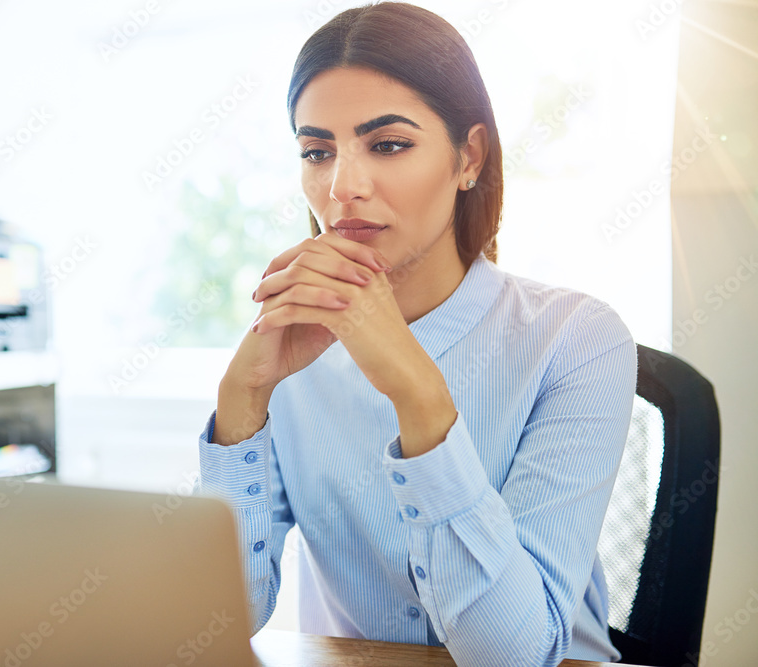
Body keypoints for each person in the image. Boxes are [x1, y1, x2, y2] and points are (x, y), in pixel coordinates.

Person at [196, 3, 637, 665]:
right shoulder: (288, 349)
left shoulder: (578, 339)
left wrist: (417, 393)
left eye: (388, 144)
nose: (342, 186)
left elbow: (511, 655)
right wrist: (241, 403)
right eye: (317, 151)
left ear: (469, 156)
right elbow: (217, 620)